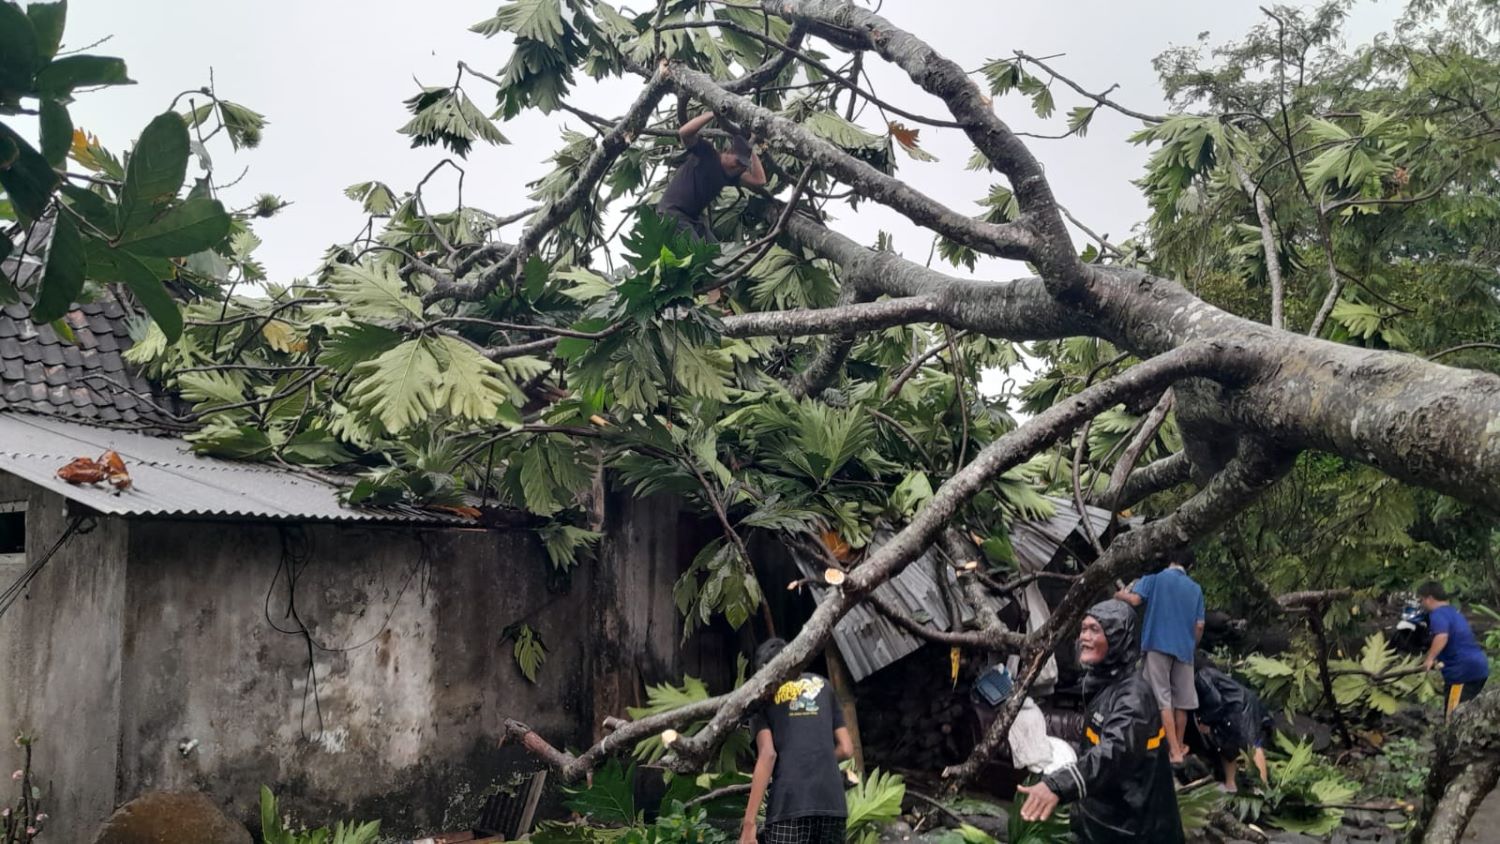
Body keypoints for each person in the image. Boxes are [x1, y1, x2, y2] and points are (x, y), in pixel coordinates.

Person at [1015, 600, 1184, 842]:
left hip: (1134, 830)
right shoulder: (1105, 685)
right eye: (1083, 629)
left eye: (1095, 629)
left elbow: (1114, 751)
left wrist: (1059, 785)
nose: (1084, 636)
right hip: (1101, 823)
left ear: (1118, 639)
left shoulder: (1134, 697)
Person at [740, 638, 854, 844]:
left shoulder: (762, 697)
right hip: (832, 804)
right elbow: (846, 749)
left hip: (790, 804)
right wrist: (817, 758)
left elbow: (768, 755)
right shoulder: (824, 686)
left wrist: (749, 826)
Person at [1116, 546, 1205, 763]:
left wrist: (1119, 594)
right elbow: (1200, 625)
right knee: (1182, 700)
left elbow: (1135, 600)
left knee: (1162, 698)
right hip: (1184, 649)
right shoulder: (1195, 589)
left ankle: (1173, 752)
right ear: (1189, 566)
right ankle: (1180, 744)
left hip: (1158, 644)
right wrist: (1191, 645)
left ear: (1170, 560)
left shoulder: (1154, 579)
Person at [657, 110, 766, 243]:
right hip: (673, 213)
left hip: (693, 220)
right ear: (727, 152)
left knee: (716, 256)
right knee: (698, 255)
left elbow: (759, 181)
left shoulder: (731, 175)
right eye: (738, 162)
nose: (738, 168)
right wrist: (713, 113)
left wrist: (752, 150)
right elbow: (684, 133)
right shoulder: (707, 154)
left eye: (743, 166)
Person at [1190, 659, 1271, 792]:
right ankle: (1230, 784)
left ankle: (1262, 786)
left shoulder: (1201, 677)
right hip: (1231, 707)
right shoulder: (1203, 675)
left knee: (1252, 744)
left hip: (1241, 706)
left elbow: (1215, 701)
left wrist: (1205, 721)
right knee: (1226, 747)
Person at [1417, 581, 1490, 721]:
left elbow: (1442, 636)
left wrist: (1429, 659)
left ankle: (1453, 740)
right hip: (1478, 668)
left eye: (1421, 600)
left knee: (1453, 718)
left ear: (1429, 598)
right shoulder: (1453, 612)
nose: (1421, 604)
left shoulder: (1437, 614)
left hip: (1462, 673)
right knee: (1468, 716)